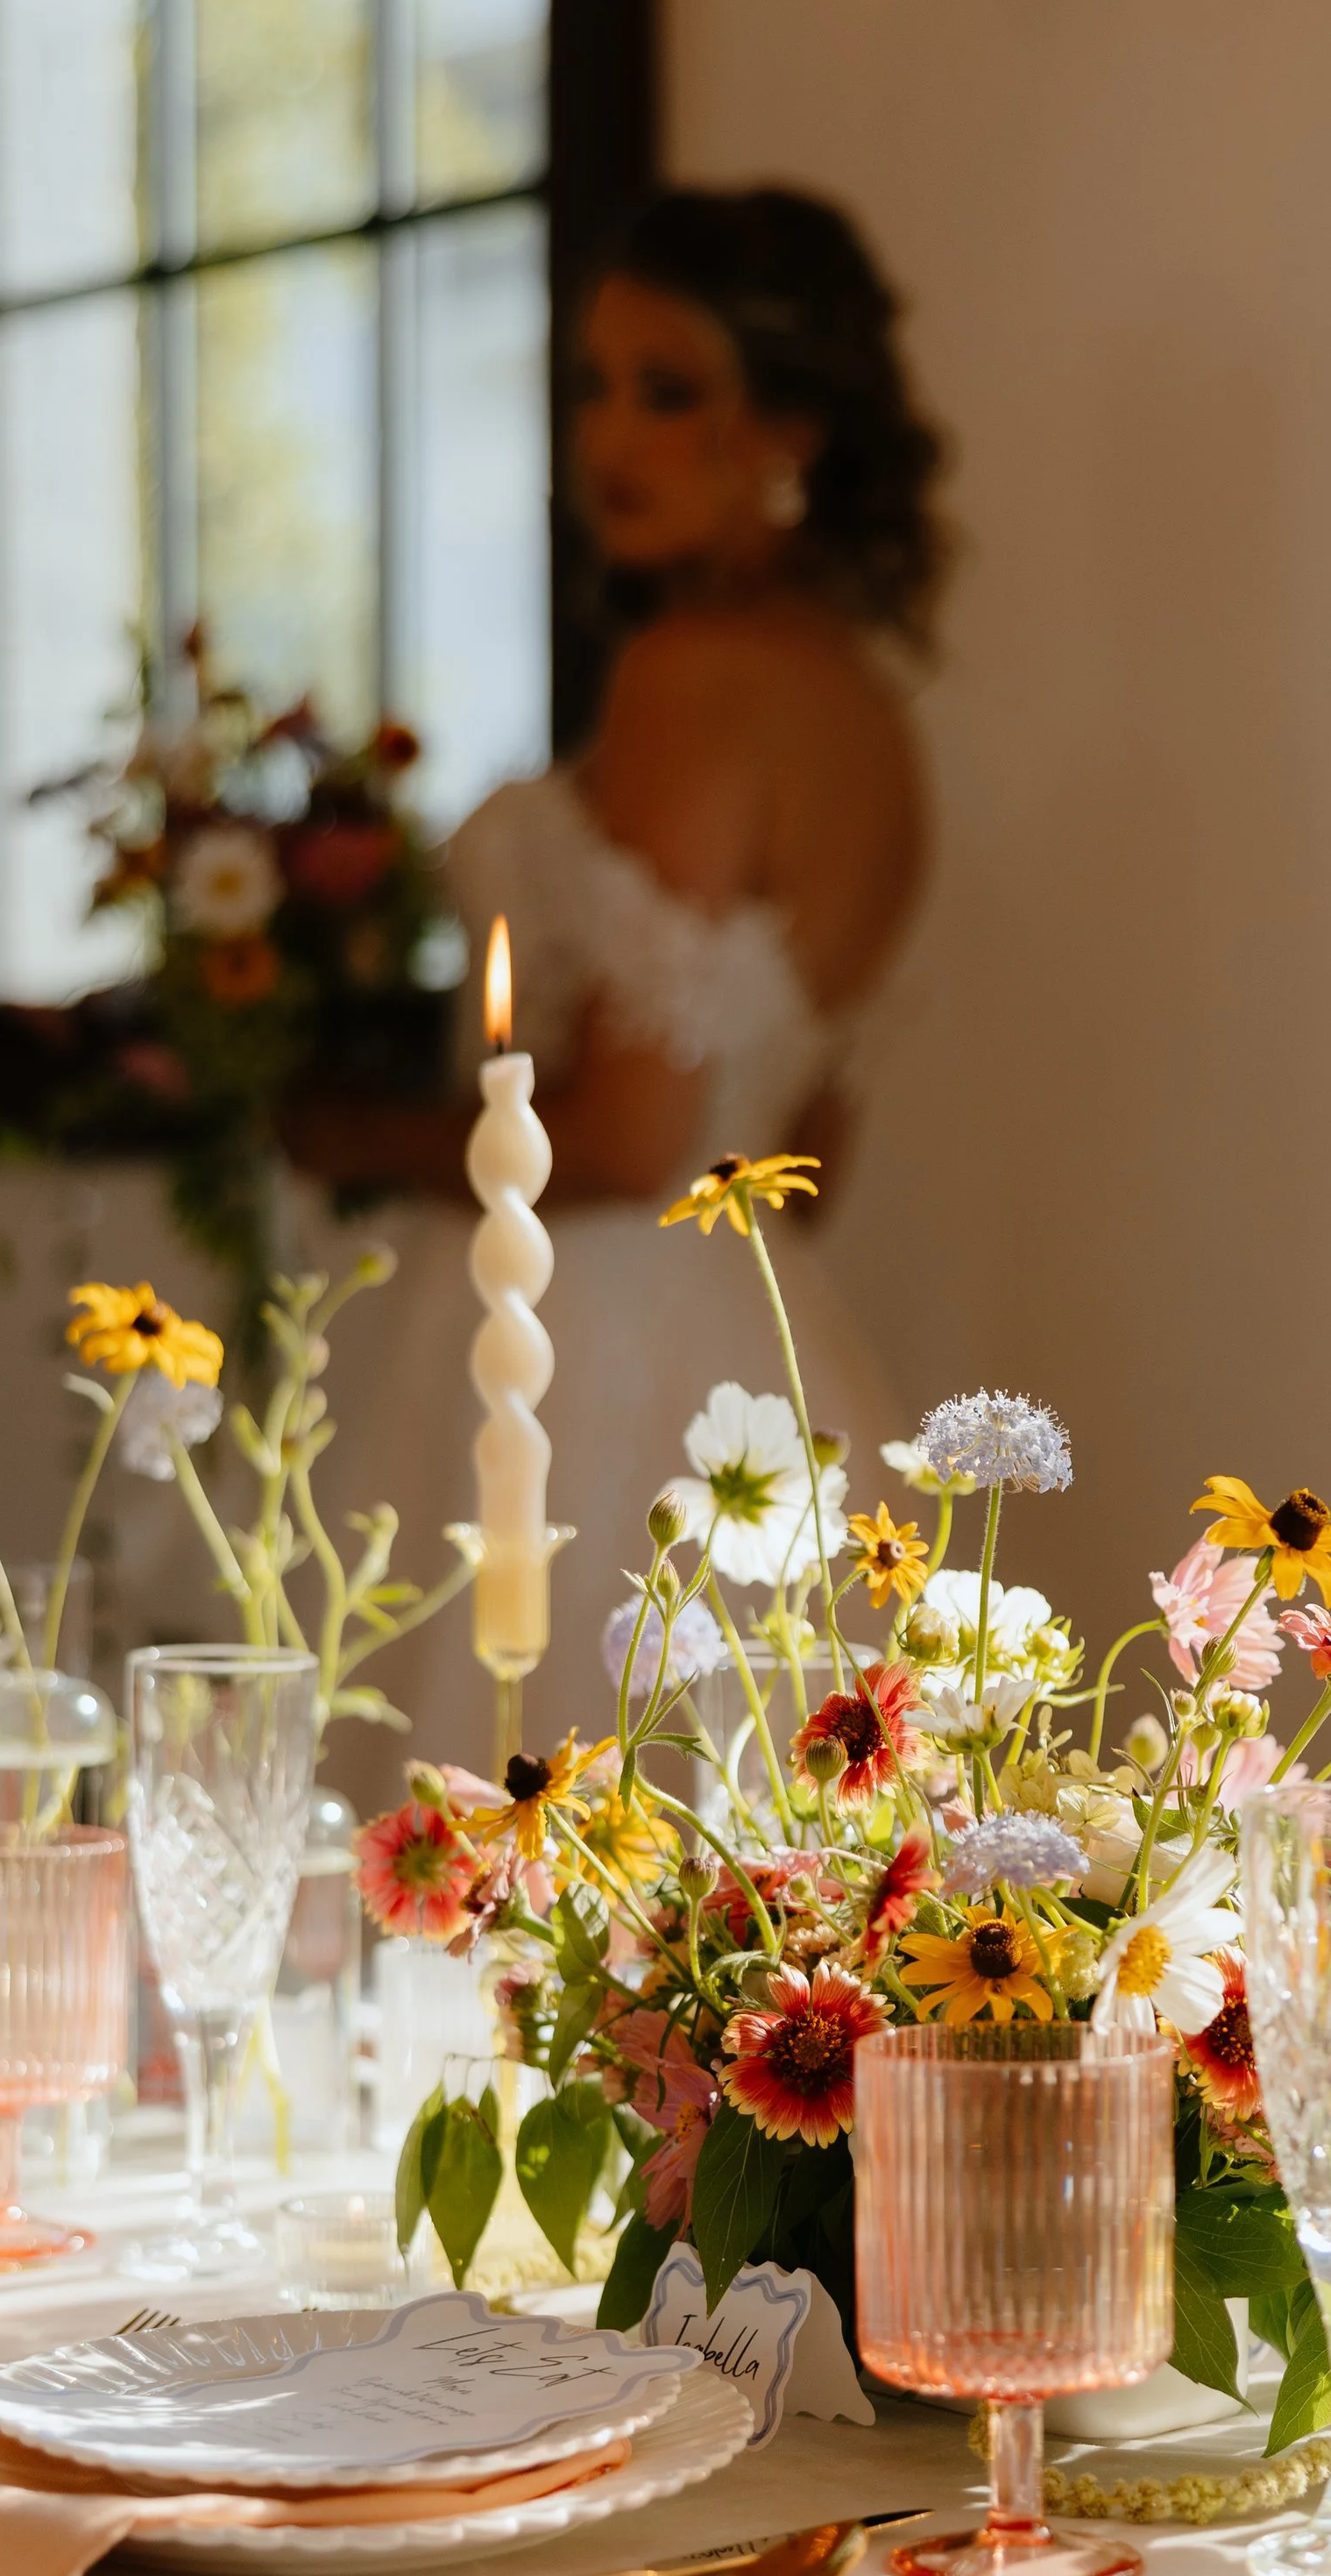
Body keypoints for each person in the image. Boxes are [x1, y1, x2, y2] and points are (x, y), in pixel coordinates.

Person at [289, 185, 946, 1773]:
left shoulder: (687, 681)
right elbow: (811, 1153)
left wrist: (349, 1132)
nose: (609, 438)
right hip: (762, 1344)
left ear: (788, 426)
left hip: (576, 1336)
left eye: (669, 390)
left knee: (519, 1812)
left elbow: (631, 1136)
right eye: (593, 386)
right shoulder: (872, 721)